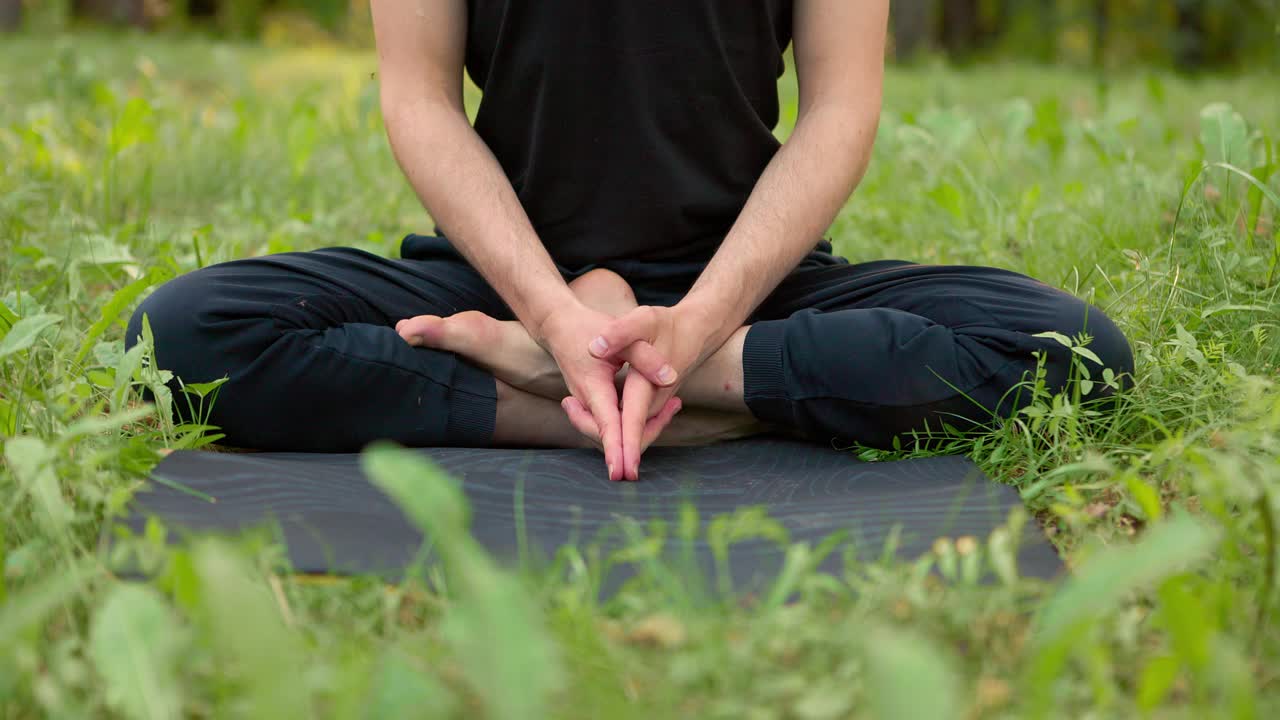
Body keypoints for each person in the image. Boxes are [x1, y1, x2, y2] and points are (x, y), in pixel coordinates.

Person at [128, 0, 1133, 481]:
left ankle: (613, 382)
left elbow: (840, 112)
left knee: (1078, 356)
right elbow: (418, 99)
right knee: (176, 337)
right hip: (502, 274)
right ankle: (627, 399)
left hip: (737, 280)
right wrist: (553, 315)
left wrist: (695, 329)